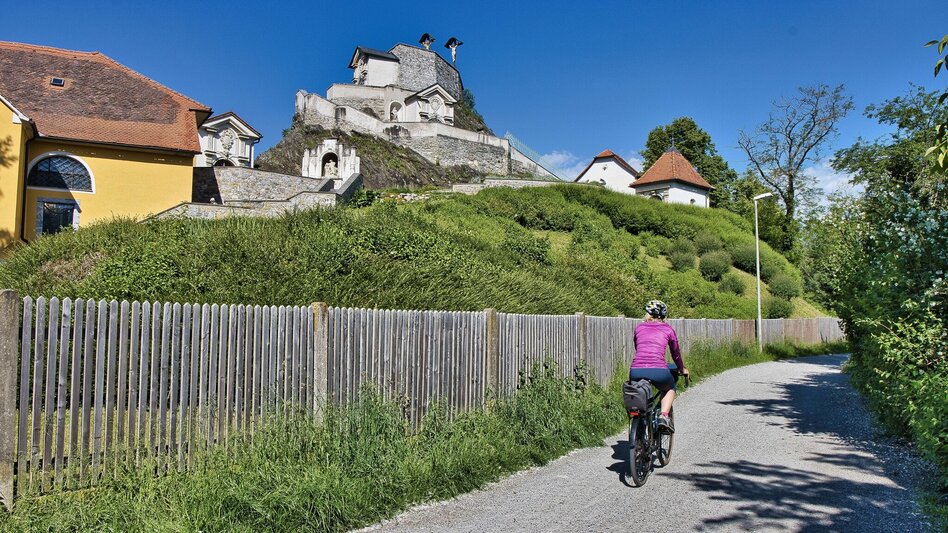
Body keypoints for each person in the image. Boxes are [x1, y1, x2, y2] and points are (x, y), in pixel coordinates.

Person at [630, 300, 688, 433]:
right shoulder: (668, 329)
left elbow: (638, 346)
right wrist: (681, 368)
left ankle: (640, 427)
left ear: (647, 314)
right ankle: (663, 416)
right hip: (659, 371)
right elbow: (676, 353)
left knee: (639, 396)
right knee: (669, 387)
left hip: (636, 370)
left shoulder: (639, 328)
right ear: (663, 316)